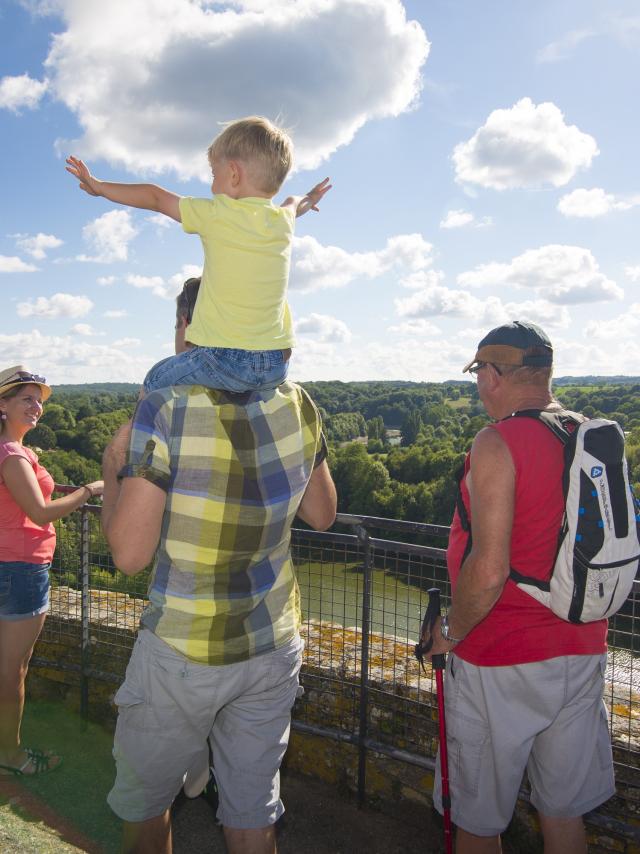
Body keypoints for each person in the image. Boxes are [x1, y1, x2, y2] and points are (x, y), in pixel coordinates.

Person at [100, 316, 337, 853]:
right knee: (252, 811)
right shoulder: (297, 401)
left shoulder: (165, 405)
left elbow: (129, 555)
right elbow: (322, 513)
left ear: (189, 325)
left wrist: (114, 465)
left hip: (185, 647)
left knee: (147, 805)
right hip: (272, 641)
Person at [421, 321, 614, 854]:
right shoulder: (586, 434)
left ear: (494, 375)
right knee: (563, 813)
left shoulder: (497, 441)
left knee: (479, 821)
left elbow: (488, 569)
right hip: (581, 647)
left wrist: (450, 632)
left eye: (480, 372)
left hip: (499, 657)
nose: (479, 385)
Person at [65, 116, 331, 394]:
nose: (212, 185)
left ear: (233, 174)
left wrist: (99, 187)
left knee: (154, 381)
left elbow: (155, 197)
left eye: (214, 175)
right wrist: (311, 196)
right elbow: (296, 202)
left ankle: (139, 437)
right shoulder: (283, 218)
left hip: (226, 361)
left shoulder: (216, 213)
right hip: (277, 364)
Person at [0, 366, 103, 777]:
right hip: (21, 570)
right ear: (2, 405)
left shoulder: (14, 452)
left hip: (12, 565)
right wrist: (89, 491)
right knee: (13, 671)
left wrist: (30, 459)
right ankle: (10, 754)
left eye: (38, 399)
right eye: (26, 398)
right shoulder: (11, 454)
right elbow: (41, 512)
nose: (36, 406)